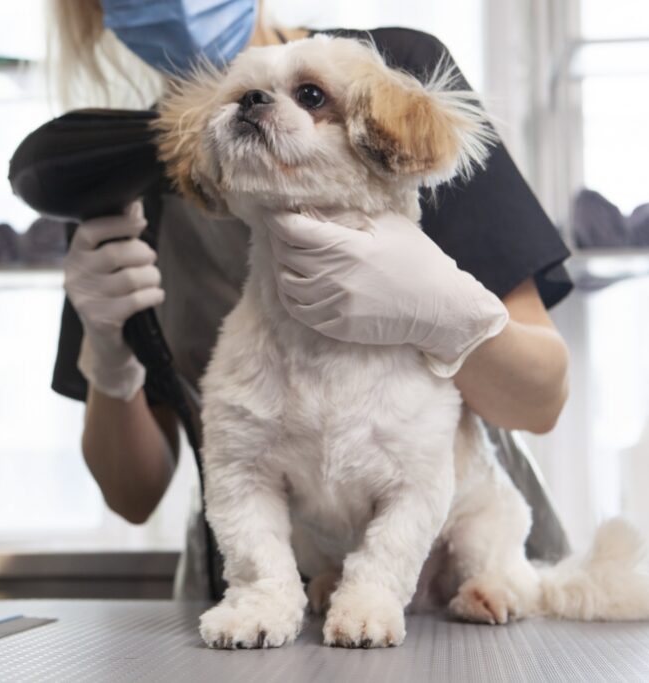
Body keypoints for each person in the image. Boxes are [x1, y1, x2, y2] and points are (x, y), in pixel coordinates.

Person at [49, 0, 574, 600]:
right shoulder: (111, 175)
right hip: (262, 577)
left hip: (465, 553)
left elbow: (542, 401)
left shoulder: (392, 78)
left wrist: (444, 311)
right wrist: (109, 360)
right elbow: (133, 496)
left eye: (312, 98)